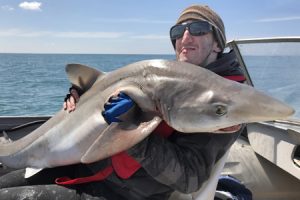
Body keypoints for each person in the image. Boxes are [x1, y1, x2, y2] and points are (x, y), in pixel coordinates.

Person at [0, 4, 248, 200]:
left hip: (121, 193)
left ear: (218, 41)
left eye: (198, 29)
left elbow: (190, 179)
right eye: (178, 32)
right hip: (87, 168)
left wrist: (130, 129)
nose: (185, 37)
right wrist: (84, 92)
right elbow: (110, 83)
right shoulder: (168, 78)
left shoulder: (222, 102)